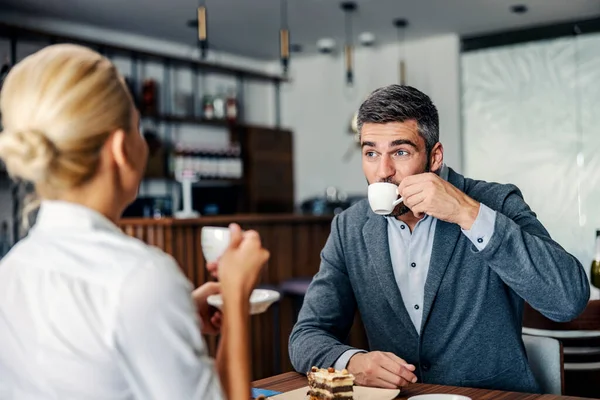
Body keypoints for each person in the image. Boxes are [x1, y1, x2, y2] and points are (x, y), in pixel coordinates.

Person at [0, 44, 269, 400]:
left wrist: (181, 310)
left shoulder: (11, 270)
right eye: (138, 127)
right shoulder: (142, 278)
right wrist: (235, 301)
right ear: (119, 148)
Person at [289, 84, 590, 393]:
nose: (383, 171)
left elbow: (568, 300)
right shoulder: (349, 227)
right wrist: (351, 362)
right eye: (371, 153)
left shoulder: (495, 202)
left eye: (400, 152)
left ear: (434, 157)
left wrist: (467, 213)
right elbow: (306, 335)